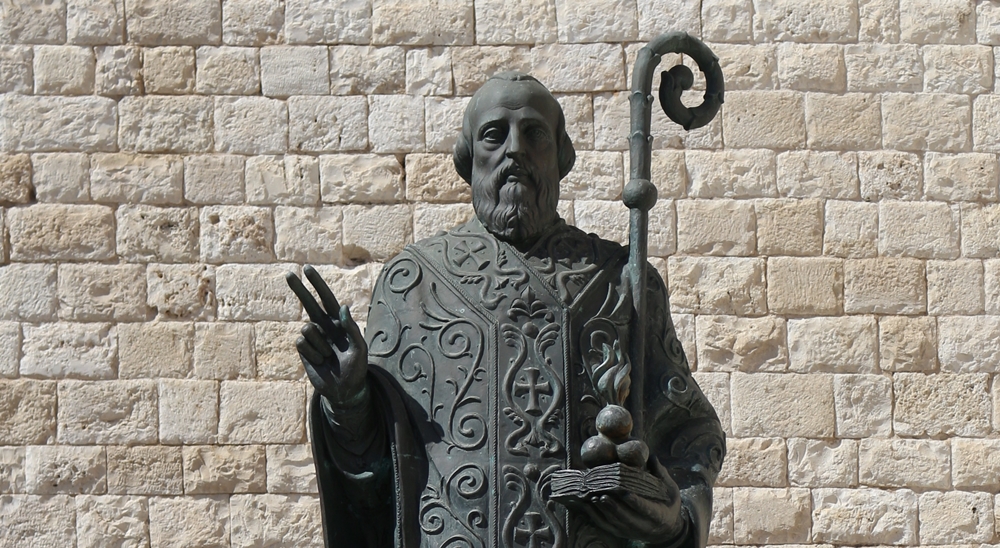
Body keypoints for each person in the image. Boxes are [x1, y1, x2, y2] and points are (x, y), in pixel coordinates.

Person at [287, 72, 725, 548]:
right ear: (469, 158)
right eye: (495, 134)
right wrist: (348, 400)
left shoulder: (622, 280)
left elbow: (691, 432)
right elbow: (383, 472)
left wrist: (671, 511)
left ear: (561, 156)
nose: (514, 148)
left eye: (533, 133)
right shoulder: (413, 282)